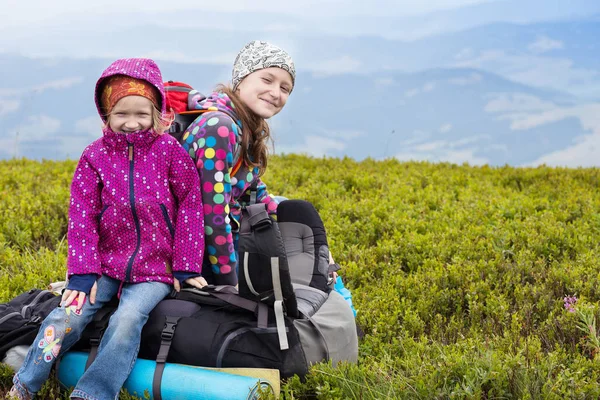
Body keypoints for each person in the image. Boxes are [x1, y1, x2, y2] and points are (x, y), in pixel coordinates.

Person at [9, 58, 206, 400]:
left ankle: (93, 393)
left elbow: (190, 204)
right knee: (65, 317)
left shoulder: (170, 152)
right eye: (121, 114)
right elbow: (82, 216)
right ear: (106, 115)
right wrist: (83, 274)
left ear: (157, 112)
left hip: (154, 272)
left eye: (142, 114)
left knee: (127, 320)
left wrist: (186, 265)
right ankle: (25, 384)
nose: (132, 123)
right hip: (102, 267)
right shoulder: (94, 157)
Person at [180, 40, 295, 286]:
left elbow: (253, 191)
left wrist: (307, 233)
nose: (276, 93)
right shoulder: (220, 127)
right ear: (241, 79)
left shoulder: (243, 125)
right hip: (191, 252)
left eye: (285, 88)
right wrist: (230, 285)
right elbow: (213, 216)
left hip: (218, 237)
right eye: (267, 80)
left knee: (289, 208)